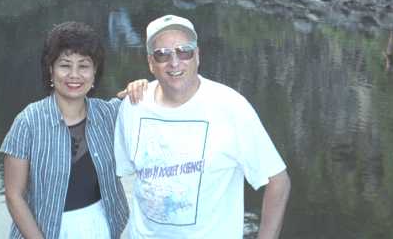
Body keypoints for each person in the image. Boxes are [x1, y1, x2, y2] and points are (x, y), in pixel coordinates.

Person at [115, 14, 291, 239]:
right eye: (162, 54)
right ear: (150, 63)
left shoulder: (231, 107)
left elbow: (278, 181)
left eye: (184, 51)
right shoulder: (133, 106)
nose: (174, 62)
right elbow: (123, 176)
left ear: (197, 55)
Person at [1, 21, 146, 239]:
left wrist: (143, 85)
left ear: (94, 71)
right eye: (65, 65)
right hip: (45, 231)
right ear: (50, 70)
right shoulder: (28, 122)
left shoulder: (109, 114)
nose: (74, 75)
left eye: (84, 66)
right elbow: (14, 195)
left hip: (103, 227)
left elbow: (157, 98)